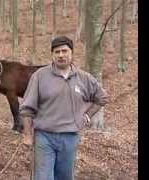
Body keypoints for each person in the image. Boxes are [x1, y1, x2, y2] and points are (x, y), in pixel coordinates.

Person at [19, 35, 108, 180]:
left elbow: (102, 97)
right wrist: (28, 135)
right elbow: (27, 108)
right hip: (44, 137)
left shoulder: (83, 78)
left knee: (65, 177)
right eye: (57, 52)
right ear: (52, 55)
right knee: (43, 177)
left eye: (64, 51)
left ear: (71, 53)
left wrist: (87, 115)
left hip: (70, 137)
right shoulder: (40, 76)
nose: (61, 55)